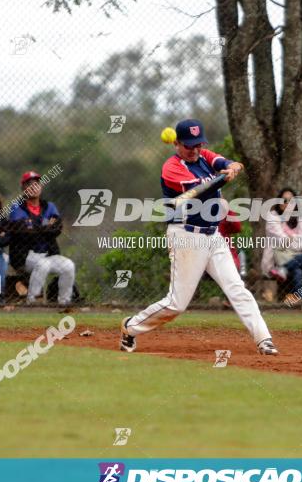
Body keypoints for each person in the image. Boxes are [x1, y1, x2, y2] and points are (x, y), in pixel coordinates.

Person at [119, 119, 278, 356]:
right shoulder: (171, 168)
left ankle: (264, 339)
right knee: (176, 304)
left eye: (197, 144)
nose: (194, 150)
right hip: (186, 235)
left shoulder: (203, 156)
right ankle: (130, 327)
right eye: (188, 145)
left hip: (213, 236)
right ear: (176, 143)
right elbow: (201, 190)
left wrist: (232, 164)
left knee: (237, 288)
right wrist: (224, 176)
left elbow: (220, 161)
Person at [7, 171, 76, 308]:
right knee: (43, 265)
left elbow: (57, 228)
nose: (33, 187)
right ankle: (32, 301)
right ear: (23, 188)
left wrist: (33, 225)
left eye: (36, 184)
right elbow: (22, 232)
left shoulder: (49, 206)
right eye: (29, 184)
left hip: (48, 254)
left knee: (68, 266)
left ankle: (64, 302)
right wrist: (45, 225)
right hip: (24, 255)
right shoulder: (16, 207)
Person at [262, 188, 302, 300]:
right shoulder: (273, 217)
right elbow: (282, 241)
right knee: (297, 270)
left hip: (296, 259)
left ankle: (284, 269)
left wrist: (293, 239)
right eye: (284, 200)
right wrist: (299, 242)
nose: (287, 204)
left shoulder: (300, 217)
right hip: (277, 262)